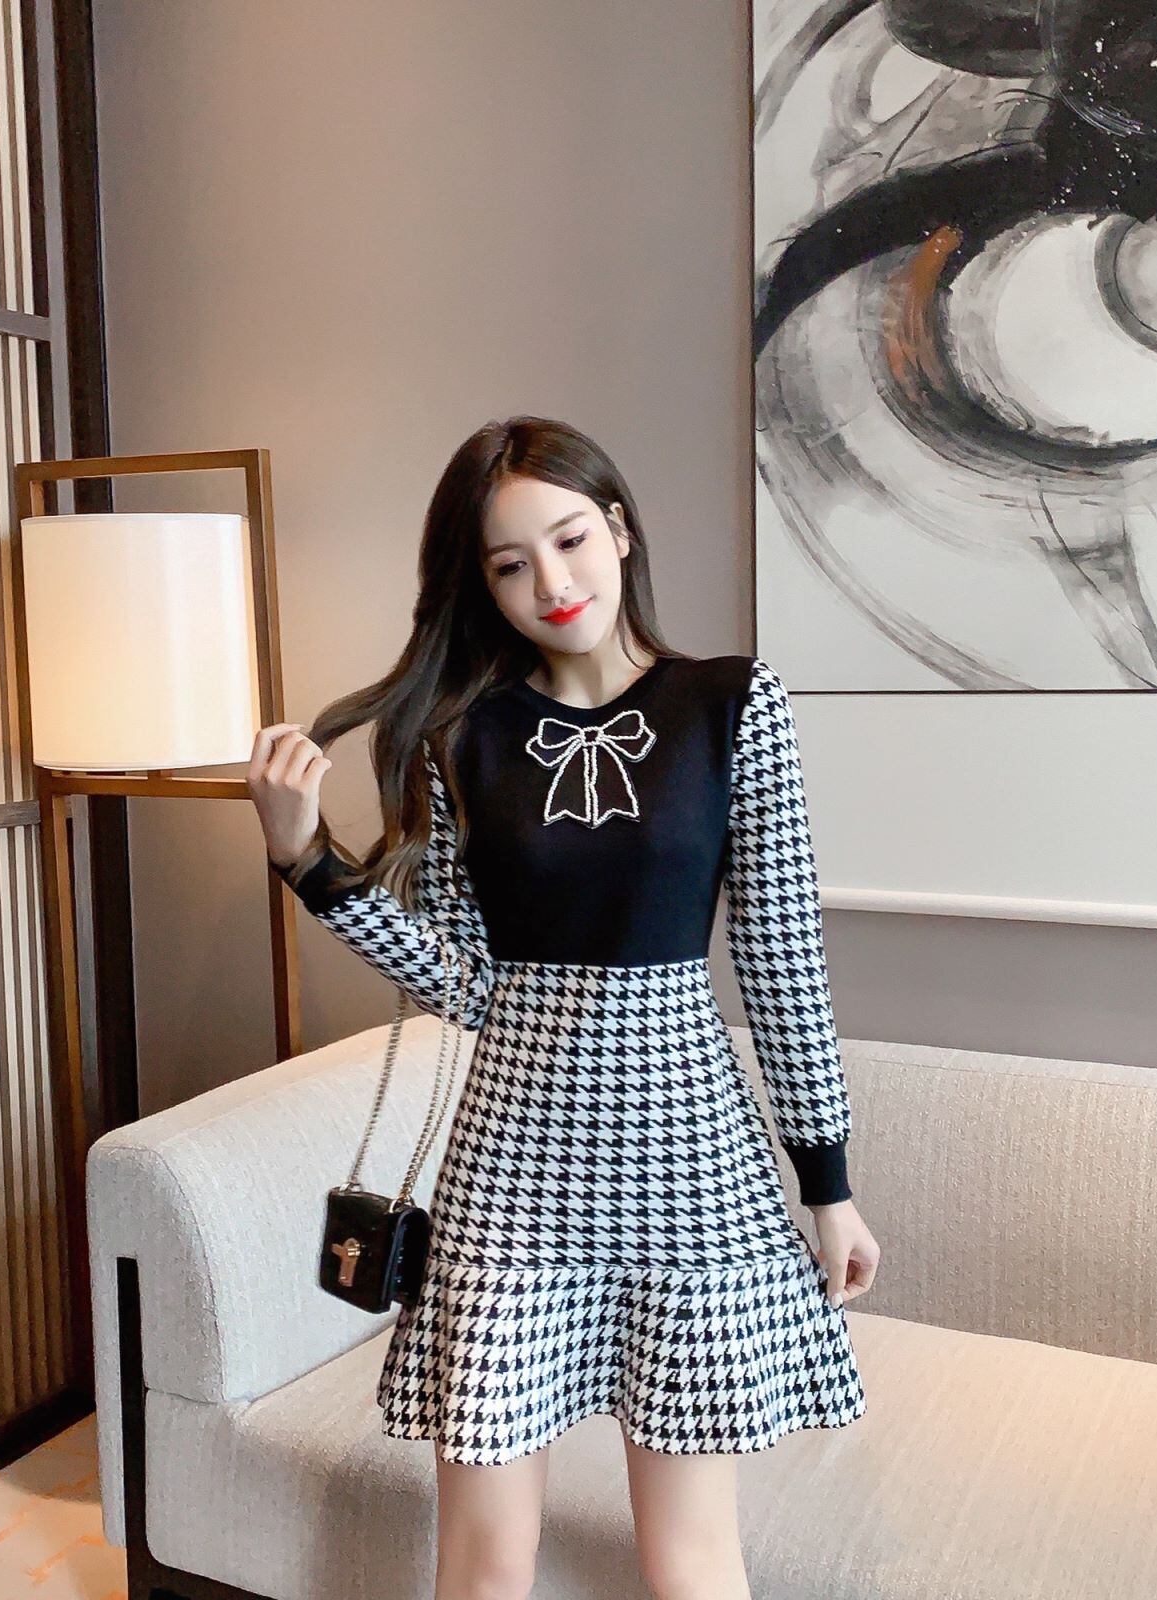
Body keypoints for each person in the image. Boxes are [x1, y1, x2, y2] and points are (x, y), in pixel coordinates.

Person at [246, 415, 879, 1600]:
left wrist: (827, 1184)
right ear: (482, 585)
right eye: (510, 562)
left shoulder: (731, 703)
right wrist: (308, 863)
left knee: (690, 1559)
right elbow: (462, 981)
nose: (552, 581)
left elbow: (782, 959)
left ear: (620, 530)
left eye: (571, 538)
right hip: (512, 1172)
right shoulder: (461, 738)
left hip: (692, 1162)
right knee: (485, 1558)